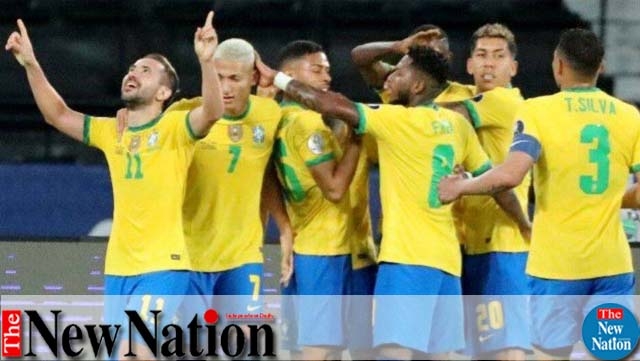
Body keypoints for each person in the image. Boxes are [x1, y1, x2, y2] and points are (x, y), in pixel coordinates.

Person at [257, 45, 530, 360]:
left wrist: (276, 79)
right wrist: (523, 223)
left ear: (416, 86)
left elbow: (327, 103)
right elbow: (498, 184)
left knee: (391, 351)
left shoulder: (396, 121)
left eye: (399, 71)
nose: (390, 75)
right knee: (439, 355)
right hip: (447, 264)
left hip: (406, 261)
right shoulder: (458, 126)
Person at [5, 12, 224, 359]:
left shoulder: (175, 130)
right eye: (132, 68)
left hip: (163, 266)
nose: (133, 73)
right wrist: (31, 64)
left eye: (146, 70)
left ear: (164, 92)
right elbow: (58, 115)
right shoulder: (112, 131)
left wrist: (207, 62)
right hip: (118, 268)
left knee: (133, 351)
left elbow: (212, 111)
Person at [438, 28, 640, 360]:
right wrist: (618, 198)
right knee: (610, 354)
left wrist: (460, 186)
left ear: (558, 65)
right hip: (612, 266)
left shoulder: (537, 111)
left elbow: (510, 174)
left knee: (550, 354)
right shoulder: (629, 115)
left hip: (555, 267)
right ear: (601, 66)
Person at [150, 39, 293, 324]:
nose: (225, 88)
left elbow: (266, 175)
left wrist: (285, 229)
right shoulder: (183, 114)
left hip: (243, 258)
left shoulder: (269, 114)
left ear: (253, 77)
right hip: (190, 257)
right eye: (218, 78)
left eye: (234, 79)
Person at [272, 40, 364, 360]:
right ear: (289, 76)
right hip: (325, 245)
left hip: (302, 243)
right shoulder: (308, 122)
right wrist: (358, 138)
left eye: (328, 70)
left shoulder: (277, 116)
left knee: (313, 344)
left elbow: (269, 179)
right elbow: (335, 189)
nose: (326, 77)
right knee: (320, 346)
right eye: (316, 69)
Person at [451, 23, 532, 361]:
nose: (489, 64)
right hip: (472, 242)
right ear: (469, 64)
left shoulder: (502, 100)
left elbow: (442, 117)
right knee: (480, 347)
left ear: (512, 68)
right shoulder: (470, 96)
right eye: (481, 55)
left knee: (505, 346)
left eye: (499, 57)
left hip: (502, 244)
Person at [351, 24, 474, 104]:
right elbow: (359, 57)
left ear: (449, 57)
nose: (430, 60)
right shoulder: (396, 81)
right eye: (423, 55)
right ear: (408, 57)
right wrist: (397, 46)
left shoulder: (469, 94)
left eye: (436, 54)